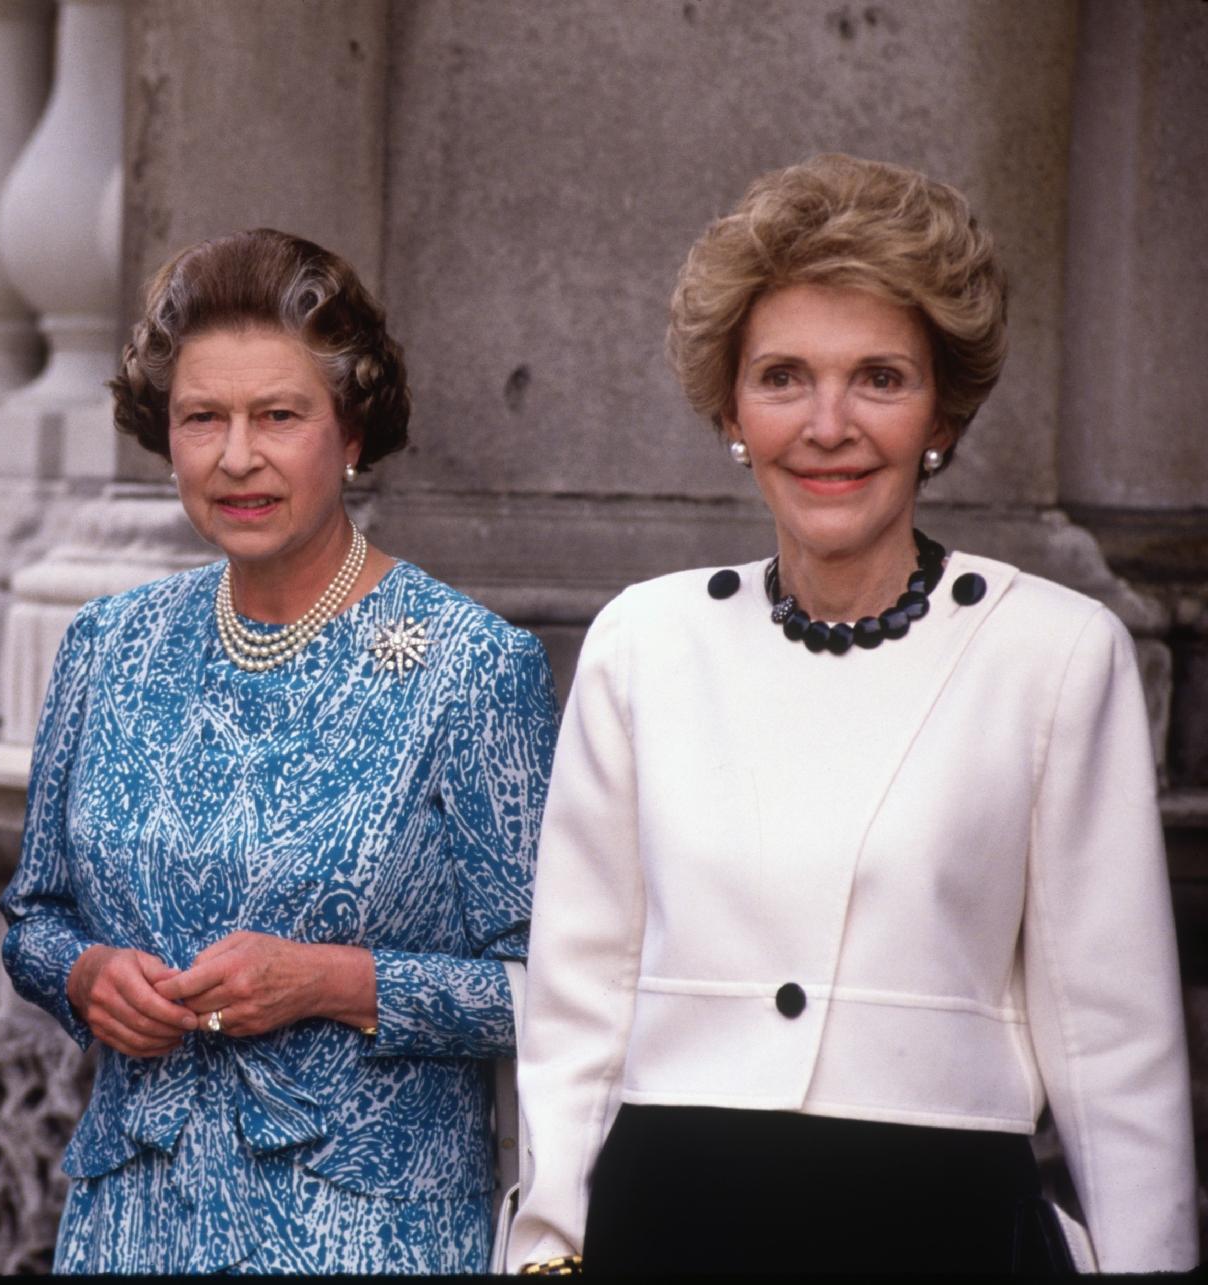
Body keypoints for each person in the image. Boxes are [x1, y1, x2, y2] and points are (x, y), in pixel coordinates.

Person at [507, 153, 1197, 1274]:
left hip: (942, 1226)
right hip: (669, 1223)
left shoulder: (1058, 652)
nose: (828, 424)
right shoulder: (645, 641)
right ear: (733, 409)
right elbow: (581, 992)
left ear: (943, 411)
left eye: (878, 377)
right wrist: (548, 1248)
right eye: (784, 377)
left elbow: (1113, 1036)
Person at [0, 228, 559, 1273]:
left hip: (367, 1234)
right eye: (202, 417)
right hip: (132, 1227)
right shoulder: (108, 647)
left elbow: (551, 988)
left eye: (279, 416)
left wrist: (330, 981)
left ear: (350, 432)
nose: (236, 455)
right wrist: (84, 974)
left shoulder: (471, 668)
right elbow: (34, 912)